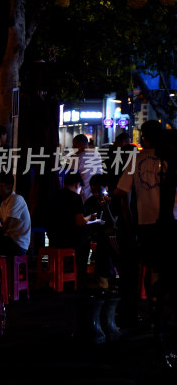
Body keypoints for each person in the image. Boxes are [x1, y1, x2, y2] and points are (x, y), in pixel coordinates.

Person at [115, 120, 177, 363]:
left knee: (151, 265)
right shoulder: (171, 158)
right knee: (166, 265)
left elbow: (121, 192)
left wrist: (130, 220)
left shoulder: (136, 160)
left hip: (146, 221)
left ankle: (154, 309)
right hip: (171, 221)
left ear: (143, 139)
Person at [47, 172, 98, 290]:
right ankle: (80, 280)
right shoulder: (75, 197)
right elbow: (79, 221)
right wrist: (90, 217)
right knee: (85, 243)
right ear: (77, 185)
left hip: (54, 238)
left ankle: (65, 277)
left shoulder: (55, 195)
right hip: (69, 240)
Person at [0, 173, 31, 257]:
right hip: (9, 241)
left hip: (17, 245)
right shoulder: (4, 202)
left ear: (9, 186)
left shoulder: (16, 199)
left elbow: (6, 225)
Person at [66, 134, 103, 203]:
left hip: (84, 196)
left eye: (74, 144)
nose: (73, 147)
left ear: (79, 144)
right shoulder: (97, 154)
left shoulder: (77, 158)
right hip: (98, 193)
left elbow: (71, 177)